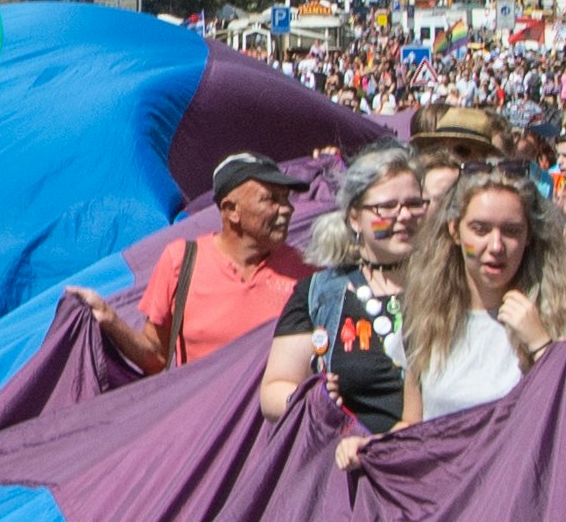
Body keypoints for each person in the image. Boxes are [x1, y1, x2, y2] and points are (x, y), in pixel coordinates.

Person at [260, 156, 429, 433]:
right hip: (346, 465)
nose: (405, 215)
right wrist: (312, 400)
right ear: (354, 218)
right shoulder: (319, 293)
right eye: (387, 206)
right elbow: (273, 390)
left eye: (414, 204)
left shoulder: (450, 287)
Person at [95, 153, 302, 372]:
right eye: (271, 199)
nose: (287, 208)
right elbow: (156, 356)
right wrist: (109, 319)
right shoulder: (182, 262)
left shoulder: (307, 273)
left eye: (286, 198)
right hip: (207, 406)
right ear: (231, 210)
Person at [397, 168, 557, 423]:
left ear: (529, 237)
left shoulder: (556, 320)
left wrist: (543, 348)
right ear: (455, 231)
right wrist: (367, 446)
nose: (496, 246)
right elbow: (410, 425)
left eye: (512, 231)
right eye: (480, 229)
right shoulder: (425, 320)